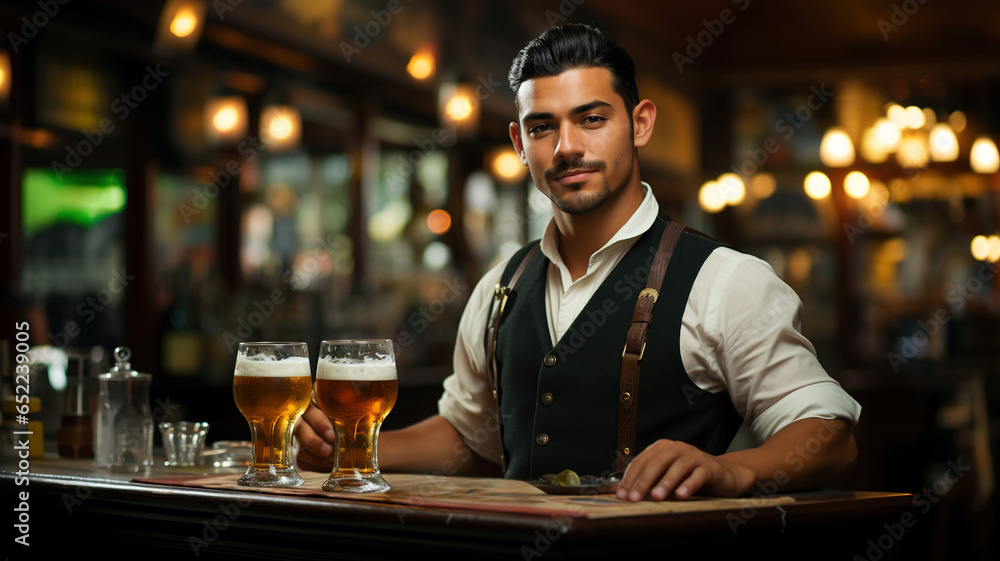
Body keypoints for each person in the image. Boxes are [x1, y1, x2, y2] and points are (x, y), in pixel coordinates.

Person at [295, 23, 860, 502]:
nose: (566, 146)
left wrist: (731, 471)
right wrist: (351, 450)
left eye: (591, 119)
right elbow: (469, 440)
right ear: (520, 143)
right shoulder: (500, 286)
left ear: (639, 123)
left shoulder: (725, 280)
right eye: (542, 126)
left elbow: (829, 435)